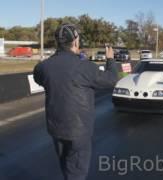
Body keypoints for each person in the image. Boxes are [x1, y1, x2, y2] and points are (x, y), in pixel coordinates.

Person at [33, 24, 118, 180]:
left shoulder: (44, 67)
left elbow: (38, 75)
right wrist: (110, 60)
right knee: (77, 172)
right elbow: (112, 80)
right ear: (76, 41)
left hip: (56, 129)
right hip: (79, 132)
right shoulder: (85, 66)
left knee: (66, 165)